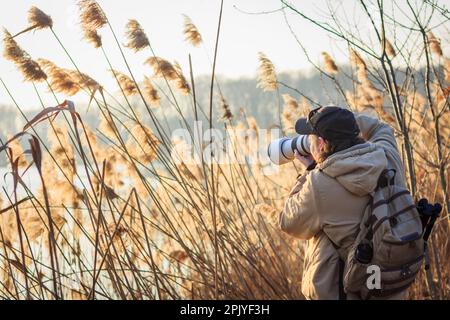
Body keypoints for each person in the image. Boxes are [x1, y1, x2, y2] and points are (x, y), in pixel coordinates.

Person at [278, 106, 408, 300]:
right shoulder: (387, 156)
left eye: (311, 138)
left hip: (345, 293)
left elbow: (288, 221)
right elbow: (381, 128)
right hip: (390, 290)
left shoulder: (319, 184)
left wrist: (308, 173)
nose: (309, 143)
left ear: (321, 144)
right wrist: (342, 121)